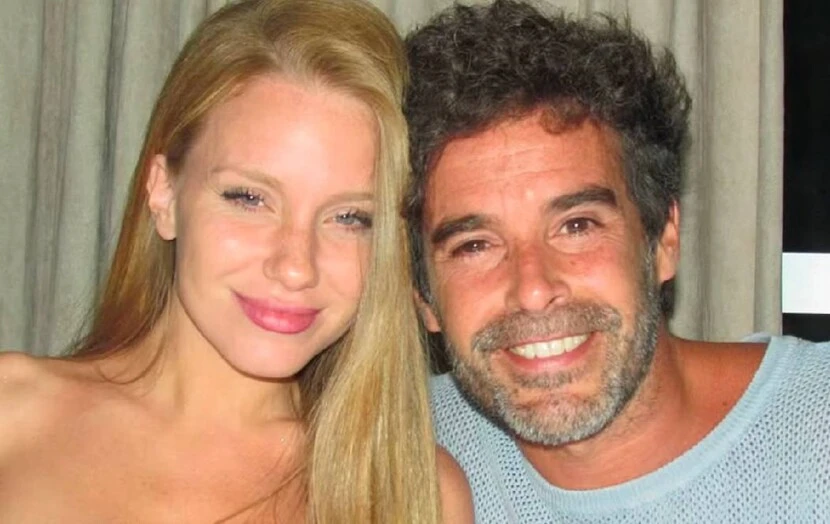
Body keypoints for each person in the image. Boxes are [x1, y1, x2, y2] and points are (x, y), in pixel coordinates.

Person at [0, 0, 472, 522]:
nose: (295, 267)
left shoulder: (415, 493)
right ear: (164, 193)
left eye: (349, 218)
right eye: (249, 198)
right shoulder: (12, 414)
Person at [403, 0, 830, 521]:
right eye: (475, 246)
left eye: (576, 226)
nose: (533, 289)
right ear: (424, 296)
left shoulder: (817, 432)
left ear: (663, 238)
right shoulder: (382, 454)